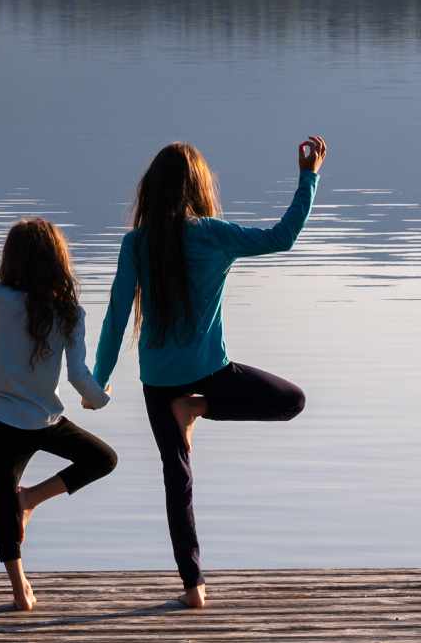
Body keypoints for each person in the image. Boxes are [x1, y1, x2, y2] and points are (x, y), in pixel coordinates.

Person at [92, 135, 327, 609]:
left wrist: (99, 379)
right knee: (292, 401)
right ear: (198, 186)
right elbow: (283, 238)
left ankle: (193, 588)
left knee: (176, 479)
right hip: (211, 371)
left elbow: (116, 315)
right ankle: (198, 406)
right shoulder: (214, 235)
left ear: (151, 191)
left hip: (158, 378)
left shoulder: (135, 243)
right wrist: (309, 177)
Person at [0, 217, 117, 611]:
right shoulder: (69, 312)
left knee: (2, 497)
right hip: (45, 421)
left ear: (12, 260)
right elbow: (79, 375)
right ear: (58, 261)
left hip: (3, 421)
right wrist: (100, 399)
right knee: (103, 459)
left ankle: (19, 585)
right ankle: (31, 502)